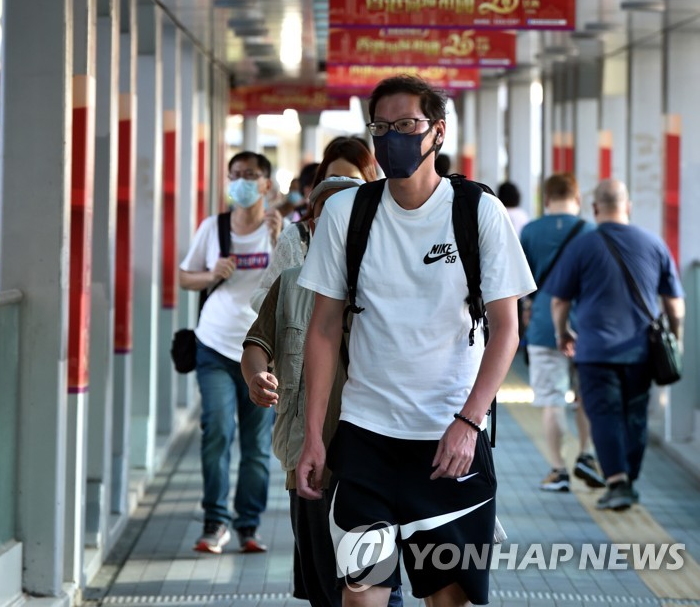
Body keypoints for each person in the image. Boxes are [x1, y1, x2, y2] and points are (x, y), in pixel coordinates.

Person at [295, 74, 535, 607]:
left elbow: (506, 328)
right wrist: (314, 434)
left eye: (406, 125)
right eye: (381, 127)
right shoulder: (345, 213)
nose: (391, 138)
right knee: (361, 597)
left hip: (449, 447)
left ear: (438, 133)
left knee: (449, 600)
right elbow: (324, 328)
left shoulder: (477, 212)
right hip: (365, 442)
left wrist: (469, 422)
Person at [242, 175, 403, 607]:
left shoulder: (392, 285)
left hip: (372, 463)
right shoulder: (292, 284)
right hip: (308, 463)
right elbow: (256, 346)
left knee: (375, 587)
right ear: (310, 225)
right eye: (323, 215)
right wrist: (257, 376)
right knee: (323, 591)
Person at [548, 178, 685, 511]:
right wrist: (675, 340)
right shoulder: (654, 244)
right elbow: (675, 305)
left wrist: (562, 333)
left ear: (595, 209)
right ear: (629, 207)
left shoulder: (582, 246)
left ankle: (618, 481)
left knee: (604, 415)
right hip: (640, 351)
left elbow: (559, 301)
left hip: (595, 352)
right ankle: (627, 479)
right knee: (634, 415)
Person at [179, 151, 283, 554]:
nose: (241, 181)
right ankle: (215, 522)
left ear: (266, 184)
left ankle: (248, 525)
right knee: (218, 431)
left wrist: (277, 242)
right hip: (215, 345)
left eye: (250, 175)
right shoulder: (213, 227)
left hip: (262, 352)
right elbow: (186, 276)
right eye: (235, 174)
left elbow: (293, 284)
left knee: (256, 444)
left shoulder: (281, 230)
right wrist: (211, 274)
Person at [519, 173, 603, 493]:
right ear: (578, 199)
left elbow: (520, 283)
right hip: (587, 328)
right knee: (586, 398)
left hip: (543, 327)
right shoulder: (592, 233)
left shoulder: (530, 231)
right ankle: (587, 455)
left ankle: (558, 470)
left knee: (552, 401)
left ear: (547, 199)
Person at [250, 138, 378, 312]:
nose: (341, 193)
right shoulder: (298, 237)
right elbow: (261, 295)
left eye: (352, 183)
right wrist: (297, 309)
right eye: (334, 181)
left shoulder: (382, 235)